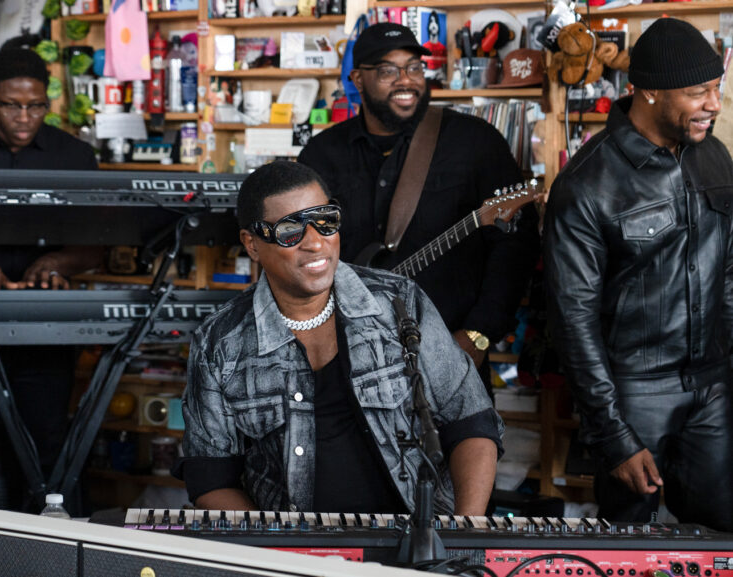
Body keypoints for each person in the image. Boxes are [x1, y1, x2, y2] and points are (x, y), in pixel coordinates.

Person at [177, 161, 503, 515]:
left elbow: (471, 421)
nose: (315, 243)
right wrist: (281, 551)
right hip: (295, 555)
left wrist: (462, 533)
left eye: (326, 221)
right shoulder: (220, 342)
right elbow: (211, 480)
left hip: (420, 541)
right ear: (252, 244)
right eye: (290, 230)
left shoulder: (399, 303)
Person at [544, 18, 733, 531]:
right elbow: (572, 321)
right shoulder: (585, 186)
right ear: (647, 91)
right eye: (698, 93)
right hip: (632, 393)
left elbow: (730, 273)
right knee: (628, 540)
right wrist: (613, 436)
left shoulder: (714, 156)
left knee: (723, 531)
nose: (714, 105)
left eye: (716, 89)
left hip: (714, 384)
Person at [298, 23, 539, 394]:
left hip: (449, 351)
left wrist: (478, 334)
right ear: (357, 80)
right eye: (387, 71)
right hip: (345, 356)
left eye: (413, 67)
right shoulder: (322, 154)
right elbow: (299, 246)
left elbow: (515, 245)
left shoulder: (473, 141)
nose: (406, 80)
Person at [0, 45, 101, 510]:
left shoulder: (75, 156)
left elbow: (97, 242)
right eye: (11, 104)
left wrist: (61, 262)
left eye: (36, 105)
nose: (25, 116)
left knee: (47, 452)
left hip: (47, 327)